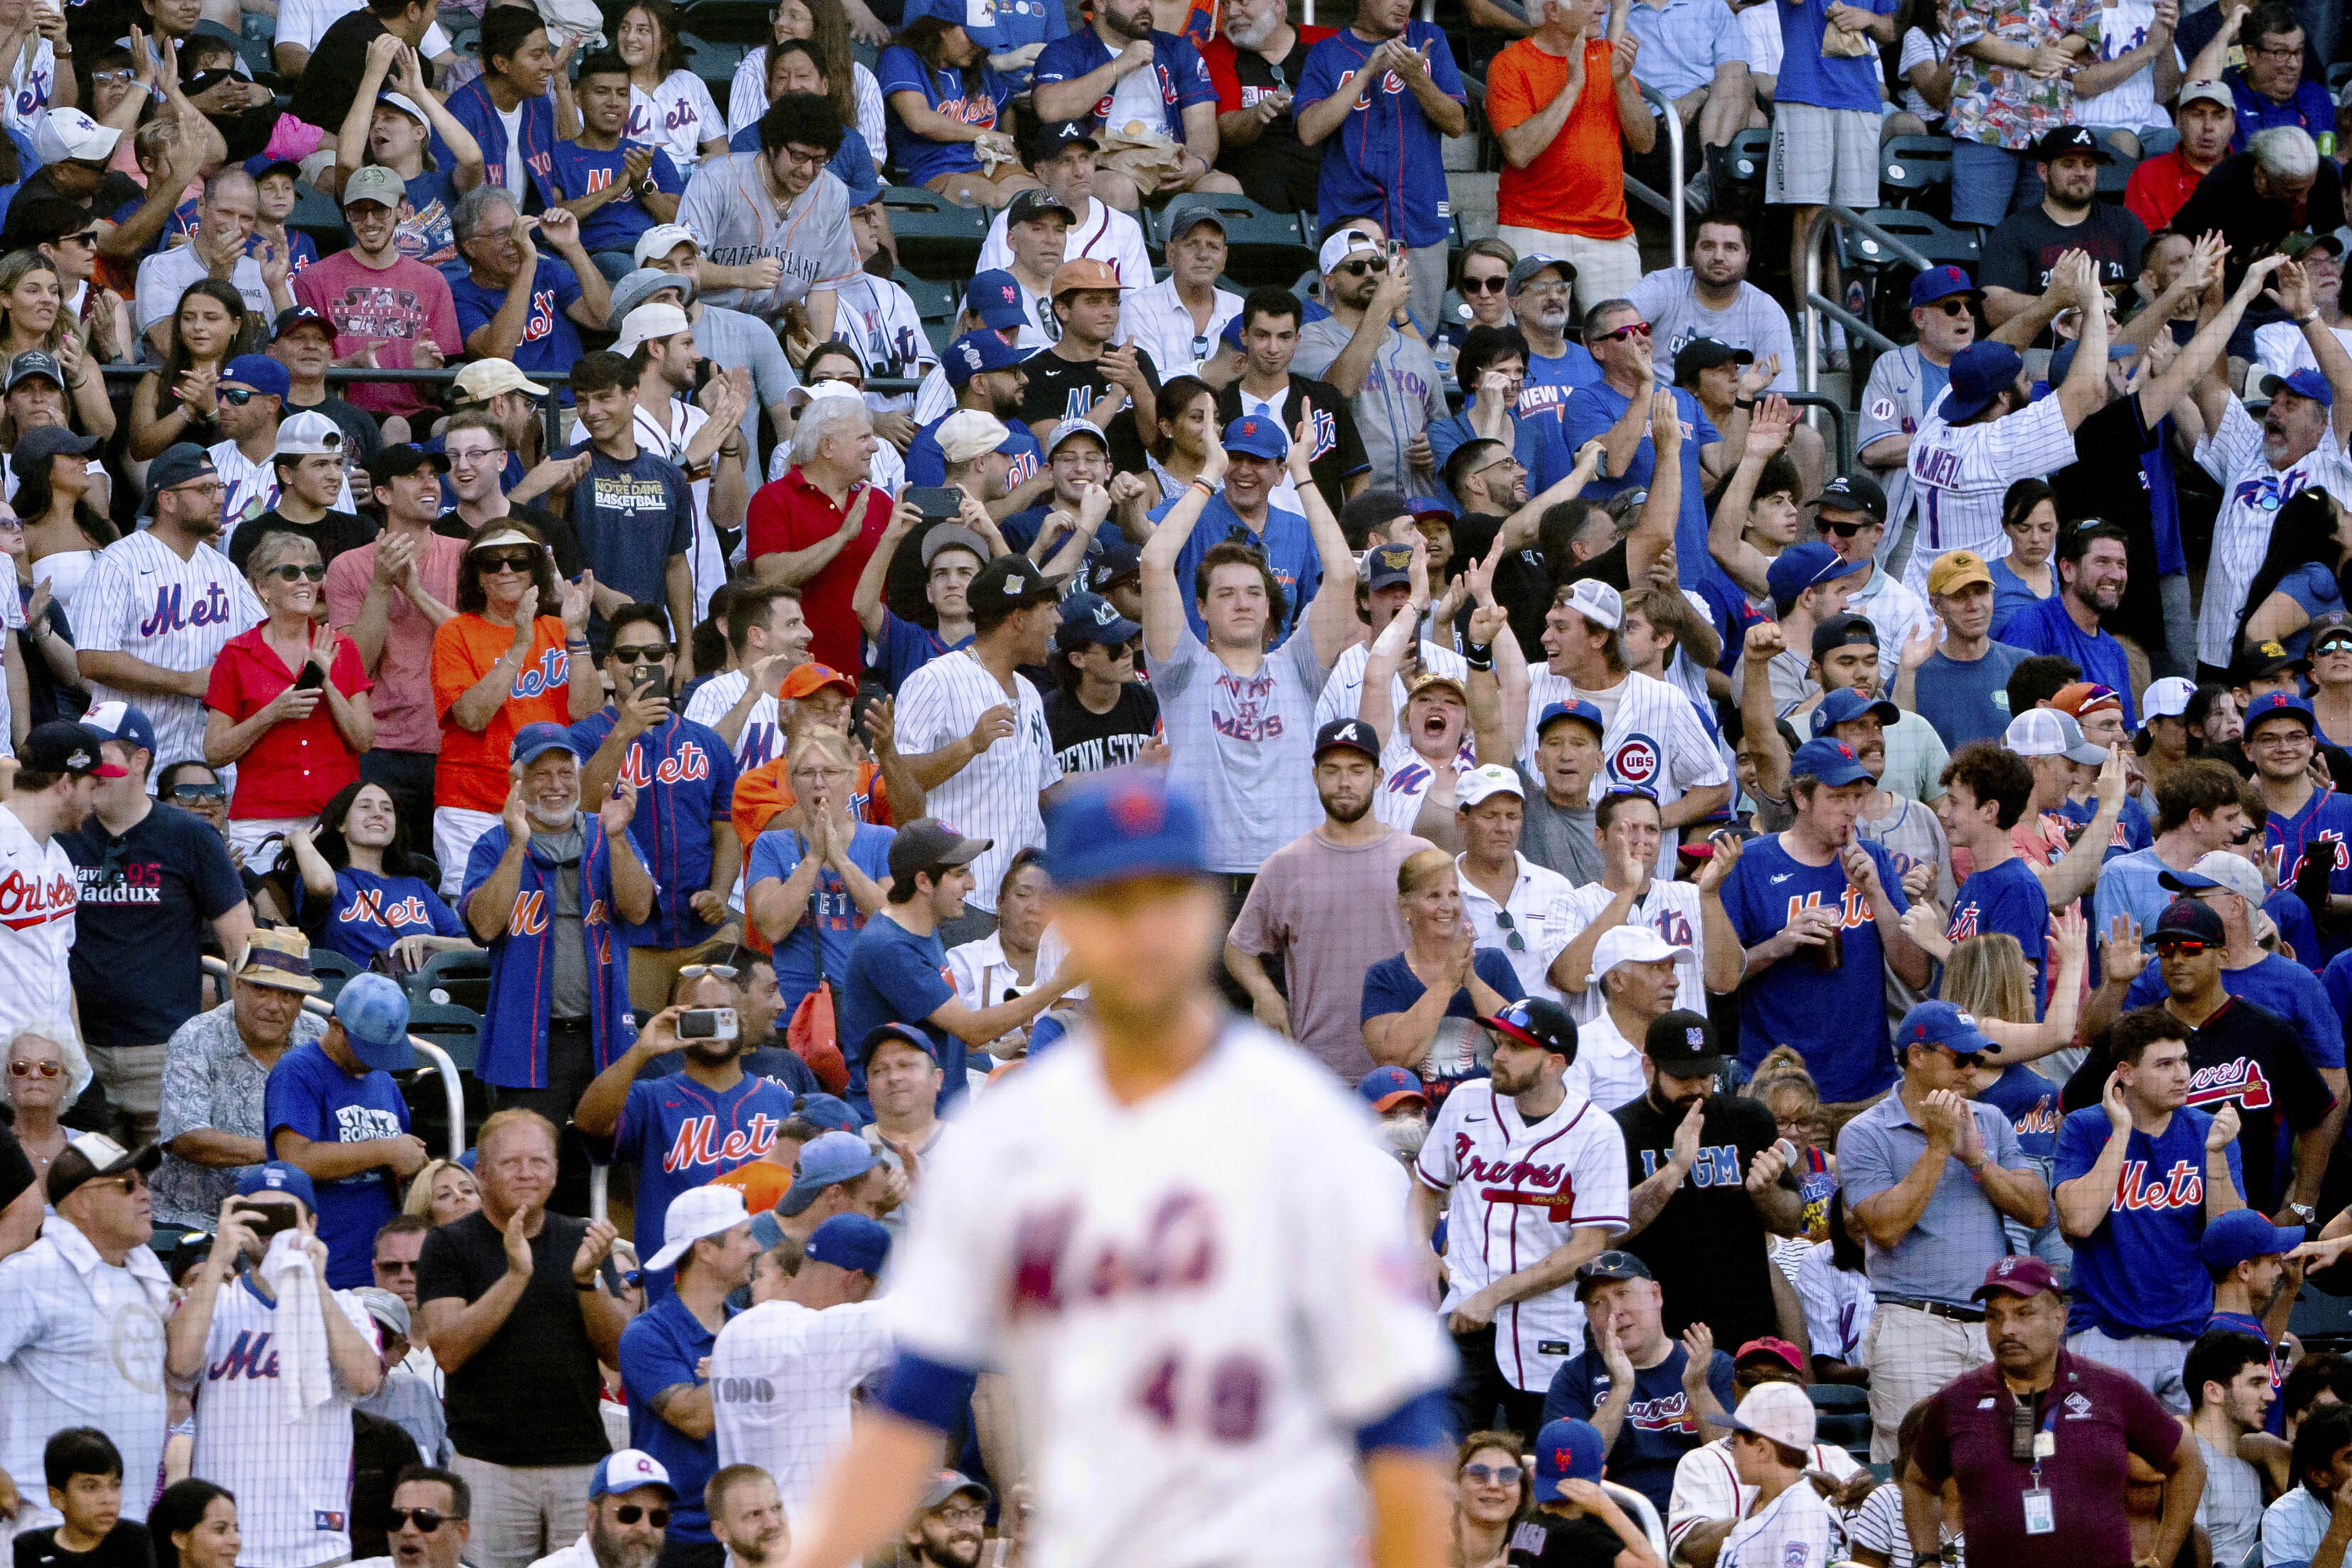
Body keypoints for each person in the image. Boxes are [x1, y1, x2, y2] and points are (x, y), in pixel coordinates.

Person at [773, 773, 1458, 1568]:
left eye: (1165, 896)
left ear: (1208, 911)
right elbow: (912, 1408)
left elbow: (1398, 1419)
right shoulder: (1001, 1144)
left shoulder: (1305, 1129)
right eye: (1110, 901)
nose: (1143, 929)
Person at [1143, 423, 1357, 901]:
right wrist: (1210, 473)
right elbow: (1155, 562)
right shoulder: (1181, 670)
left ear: (1268, 606)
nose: (1241, 603)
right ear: (1201, 609)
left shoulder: (1298, 670)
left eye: (1254, 593)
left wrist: (1301, 472)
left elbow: (1343, 574)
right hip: (1200, 881)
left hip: (1290, 876)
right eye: (1225, 593)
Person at [414, 1110, 629, 1568]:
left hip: (580, 1463)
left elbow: (617, 1353)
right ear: (482, 1172)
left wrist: (587, 1282)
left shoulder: (583, 1238)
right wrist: (516, 1275)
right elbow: (449, 1352)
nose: (527, 1173)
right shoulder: (448, 1244)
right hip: (488, 1468)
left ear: (555, 1169)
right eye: (512, 1162)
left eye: (539, 1161)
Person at [1838, 999, 2051, 1458]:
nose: (1972, 1071)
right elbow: (1886, 1228)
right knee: (1912, 1471)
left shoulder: (1991, 1121)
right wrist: (1938, 1147)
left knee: (2012, 1467)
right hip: (1915, 1325)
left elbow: (2038, 1211)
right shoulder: (1865, 1133)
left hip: (1997, 1331)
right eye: (1960, 1058)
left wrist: (1977, 1160)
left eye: (1978, 1059)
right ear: (1918, 1057)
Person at [1411, 982, 1626, 1434]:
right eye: (1500, 1041)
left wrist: (1495, 1295)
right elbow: (1428, 1188)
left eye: (1516, 1046)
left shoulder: (1597, 1133)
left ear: (1554, 1063)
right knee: (1446, 1462)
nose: (1500, 1054)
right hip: (1461, 1321)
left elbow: (1586, 1248)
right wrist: (1419, 1254)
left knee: (1544, 1471)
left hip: (1548, 1326)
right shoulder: (1467, 1102)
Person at [1902, 1254, 2205, 1568]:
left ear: (2059, 1319)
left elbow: (2188, 1463)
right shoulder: (1956, 1400)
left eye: (2023, 1313)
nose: (2007, 1329)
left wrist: (2160, 1559)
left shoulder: (2112, 1389)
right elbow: (1918, 1483)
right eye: (1994, 1317)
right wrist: (1926, 1558)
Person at [165, 1161, 386, 1568]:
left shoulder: (346, 1306)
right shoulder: (214, 1302)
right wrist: (216, 1260)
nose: (269, 1228)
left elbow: (364, 1381)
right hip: (226, 1543)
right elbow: (180, 1365)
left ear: (312, 1223)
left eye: (284, 1216)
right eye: (257, 1214)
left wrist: (317, 1283)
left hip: (317, 1539)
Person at [460, 726, 653, 1187]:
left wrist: (621, 838)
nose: (555, 784)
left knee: (621, 1173)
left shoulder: (609, 834)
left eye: (565, 771)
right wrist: (516, 844)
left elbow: (639, 908)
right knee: (521, 1174)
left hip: (604, 1037)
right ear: (518, 781)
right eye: (540, 773)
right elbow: (485, 926)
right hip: (526, 1044)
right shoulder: (494, 843)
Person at [63, 701, 252, 1145]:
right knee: (91, 1198)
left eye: (101, 761)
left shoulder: (187, 835)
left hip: (164, 1051)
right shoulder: (63, 831)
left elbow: (241, 944)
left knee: (164, 1198)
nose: (88, 773)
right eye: (80, 761)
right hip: (78, 1050)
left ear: (140, 760)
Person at [1719, 734, 1929, 1115]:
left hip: (1868, 1087)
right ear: (1801, 797)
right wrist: (1780, 944)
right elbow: (1720, 979)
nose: (1850, 810)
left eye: (1856, 796)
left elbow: (1916, 974)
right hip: (1782, 1092)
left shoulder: (1874, 860)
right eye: (1836, 797)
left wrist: (1877, 895)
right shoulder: (1750, 863)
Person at [2052, 1002, 2247, 1405]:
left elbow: (2230, 1245)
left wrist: (2215, 1157)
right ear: (2126, 1073)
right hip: (2104, 1333)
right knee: (2102, 1461)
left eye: (2184, 1061)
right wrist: (2121, 1130)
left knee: (2195, 1463)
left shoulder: (2211, 1132)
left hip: (2190, 1335)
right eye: (2164, 1065)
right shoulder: (2085, 1128)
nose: (2182, 1075)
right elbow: (2079, 1223)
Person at [1225, 718, 1435, 1081]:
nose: (1344, 783)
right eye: (1332, 770)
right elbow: (1238, 949)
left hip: (1408, 1070)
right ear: (1315, 777)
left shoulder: (1419, 858)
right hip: (1317, 1073)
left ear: (1378, 777)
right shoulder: (1285, 866)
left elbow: (1456, 951)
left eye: (1357, 770)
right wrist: (1264, 993)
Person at [1898, 256, 2112, 599]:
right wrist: (2093, 307)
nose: (2029, 386)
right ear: (2001, 395)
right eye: (2023, 380)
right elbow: (2085, 390)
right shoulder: (1997, 446)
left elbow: (1991, 353)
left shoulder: (1939, 414)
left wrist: (2052, 302)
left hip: (1923, 597)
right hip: (1979, 606)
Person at [835, 818, 1074, 1113]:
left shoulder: (923, 928)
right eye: (960, 874)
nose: (972, 884)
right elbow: (971, 1029)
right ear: (924, 882)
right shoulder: (890, 947)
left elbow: (934, 1030)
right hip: (896, 1129)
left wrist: (986, 1050)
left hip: (930, 1118)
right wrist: (1061, 983)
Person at [567, 604, 738, 1008]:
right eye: (628, 656)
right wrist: (625, 730)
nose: (642, 663)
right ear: (609, 664)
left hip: (701, 934)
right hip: (624, 935)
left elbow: (725, 828)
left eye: (655, 654)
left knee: (715, 1047)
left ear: (673, 659)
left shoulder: (706, 742)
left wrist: (720, 891)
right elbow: (581, 806)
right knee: (639, 1057)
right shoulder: (585, 736)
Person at [0, 1133, 171, 1532]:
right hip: (43, 1524)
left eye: (144, 1183)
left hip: (125, 1528)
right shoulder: (32, 1273)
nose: (144, 1195)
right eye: (127, 1185)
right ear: (81, 1203)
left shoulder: (143, 1277)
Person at [891, 553, 1066, 943]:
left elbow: (1049, 792)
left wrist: (1133, 774)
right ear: (1018, 617)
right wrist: (969, 745)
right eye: (1049, 609)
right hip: (962, 900)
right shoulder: (936, 679)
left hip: (1023, 904)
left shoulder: (1031, 692)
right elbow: (897, 777)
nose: (1057, 622)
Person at [2191, 265, 2352, 681]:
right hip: (2217, 651)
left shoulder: (2332, 458)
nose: (2276, 409)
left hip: (2289, 655)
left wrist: (2306, 315)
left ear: (2322, 424)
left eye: (2292, 404)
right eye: (2275, 400)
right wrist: (2215, 299)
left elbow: (2347, 387)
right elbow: (2209, 381)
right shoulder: (2247, 448)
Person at [75, 445, 266, 775]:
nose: (220, 498)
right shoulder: (119, 563)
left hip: (209, 764)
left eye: (219, 487)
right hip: (130, 759)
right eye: (205, 489)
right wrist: (183, 681)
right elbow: (93, 658)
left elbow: (263, 645)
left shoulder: (223, 570)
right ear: (167, 500)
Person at [1616, 1010, 1801, 1350]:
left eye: (1706, 1075)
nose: (1696, 1087)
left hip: (1745, 1323)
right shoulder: (1619, 1131)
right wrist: (1674, 1169)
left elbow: (1791, 1222)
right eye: (1682, 1076)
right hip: (1658, 1331)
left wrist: (1766, 1192)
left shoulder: (1747, 1119)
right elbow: (1609, 1230)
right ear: (1648, 1068)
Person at [429, 524, 598, 896]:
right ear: (477, 575)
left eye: (518, 561)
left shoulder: (559, 629)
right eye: (492, 562)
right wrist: (519, 644)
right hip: (471, 802)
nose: (506, 571)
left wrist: (578, 635)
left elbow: (585, 713)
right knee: (472, 909)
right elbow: (472, 717)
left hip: (547, 798)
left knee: (546, 909)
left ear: (534, 570)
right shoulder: (455, 632)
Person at [572, 983, 793, 1264]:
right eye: (699, 1014)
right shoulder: (650, 1097)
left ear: (744, 1020)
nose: (713, 1023)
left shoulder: (781, 1100)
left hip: (765, 1275)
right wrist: (641, 1051)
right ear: (678, 1021)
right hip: (676, 1279)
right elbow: (589, 1122)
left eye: (723, 1013)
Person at [1292, 0, 1466, 329]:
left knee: (1418, 341)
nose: (1405, 4)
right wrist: (1367, 73)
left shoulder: (1430, 38)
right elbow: (1309, 130)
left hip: (1420, 220)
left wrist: (1415, 77)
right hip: (1351, 223)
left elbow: (1456, 123)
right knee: (1345, 336)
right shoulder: (1327, 53)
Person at [321, 446, 464, 837]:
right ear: (383, 494)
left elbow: (478, 648)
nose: (429, 483)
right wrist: (381, 585)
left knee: (452, 878)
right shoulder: (349, 566)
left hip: (458, 741)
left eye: (433, 475)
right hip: (383, 747)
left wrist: (416, 593)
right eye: (414, 475)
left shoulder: (465, 557)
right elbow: (354, 666)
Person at [204, 532, 376, 856]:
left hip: (333, 816)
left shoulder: (342, 647)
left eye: (312, 573)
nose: (305, 581)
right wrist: (272, 712)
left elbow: (364, 740)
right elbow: (214, 751)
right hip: (261, 818)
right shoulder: (237, 654)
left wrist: (324, 679)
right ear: (262, 588)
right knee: (265, 907)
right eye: (290, 572)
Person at [707, 1214, 891, 1514]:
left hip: (746, 1547)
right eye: (870, 1292)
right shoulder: (820, 1338)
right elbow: (923, 1312)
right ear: (855, 1280)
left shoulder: (733, 1333)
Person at [149, 927, 329, 1229]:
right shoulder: (196, 1038)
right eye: (261, 989)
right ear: (236, 986)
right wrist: (284, 1153)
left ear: (301, 1000)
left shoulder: (319, 1038)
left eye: (288, 993)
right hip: (199, 1220)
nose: (274, 1006)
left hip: (297, 1221)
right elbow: (186, 1138)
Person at [1538, 1251, 1735, 1517]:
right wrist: (1620, 1390)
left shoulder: (1712, 1365)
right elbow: (1568, 1474)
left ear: (1655, 1295)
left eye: (1623, 1294)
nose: (1614, 1312)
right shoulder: (1575, 1376)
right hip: (1609, 1520)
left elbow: (1736, 1462)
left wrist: (1698, 1389)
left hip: (1704, 1512)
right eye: (1598, 1303)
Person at [674, 94, 857, 334]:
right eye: (798, 156)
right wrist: (739, 275)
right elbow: (680, 267)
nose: (808, 170)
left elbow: (824, 287)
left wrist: (818, 352)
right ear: (772, 147)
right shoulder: (716, 179)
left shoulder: (834, 194)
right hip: (704, 322)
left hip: (772, 330)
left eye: (819, 160)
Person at [1028, 0, 1235, 207]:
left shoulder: (1178, 49)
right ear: (1100, 4)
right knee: (1119, 187)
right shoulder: (1064, 51)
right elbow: (1049, 109)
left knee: (1224, 187)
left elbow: (1202, 124)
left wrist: (1200, 161)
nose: (1145, 5)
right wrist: (1118, 66)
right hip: (1099, 169)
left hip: (1170, 164)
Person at [1291, 231, 1447, 498]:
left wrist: (1435, 446)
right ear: (1329, 280)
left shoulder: (1412, 348)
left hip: (1419, 503)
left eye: (1376, 265)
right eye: (1355, 268)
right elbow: (1338, 390)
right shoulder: (1311, 338)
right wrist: (1383, 305)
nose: (1369, 274)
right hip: (1353, 505)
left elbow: (1441, 423)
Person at [1199, 0, 1333, 212]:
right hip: (1254, 198)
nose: (1231, 12)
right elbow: (1228, 129)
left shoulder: (1327, 43)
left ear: (1278, 3)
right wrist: (1257, 114)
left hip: (1330, 190)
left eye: (1243, 2)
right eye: (1225, 4)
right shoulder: (1217, 51)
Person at [2185, 1326, 2274, 1568]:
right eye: (2256, 1384)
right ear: (2214, 1392)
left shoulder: (2251, 1469)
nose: (2270, 1396)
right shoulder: (2188, 1464)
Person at [1043, 590, 1157, 775]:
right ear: (1078, 659)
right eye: (1114, 648)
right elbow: (1045, 792)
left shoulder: (1147, 702)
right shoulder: (1049, 716)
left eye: (1128, 640)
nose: (1128, 652)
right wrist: (1132, 771)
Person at [9, 1429, 152, 1568]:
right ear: (57, 1497)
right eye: (91, 1487)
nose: (108, 1499)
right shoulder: (31, 1547)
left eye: (115, 1486)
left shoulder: (135, 1540)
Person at [2125, 80, 2237, 230]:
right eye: (2197, 115)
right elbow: (2146, 245)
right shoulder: (2148, 175)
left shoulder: (2252, 173)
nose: (2208, 127)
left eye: (2219, 116)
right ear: (2178, 120)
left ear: (2233, 124)